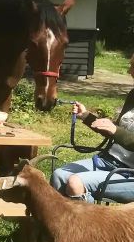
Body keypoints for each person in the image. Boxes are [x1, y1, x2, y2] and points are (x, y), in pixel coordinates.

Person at [51, 53, 134, 205]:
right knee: (59, 175)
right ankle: (54, 226)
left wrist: (116, 131)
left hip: (130, 174)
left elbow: (116, 131)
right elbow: (113, 130)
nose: (129, 71)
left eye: (133, 66)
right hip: (110, 162)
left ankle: (89, 227)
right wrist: (86, 116)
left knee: (76, 182)